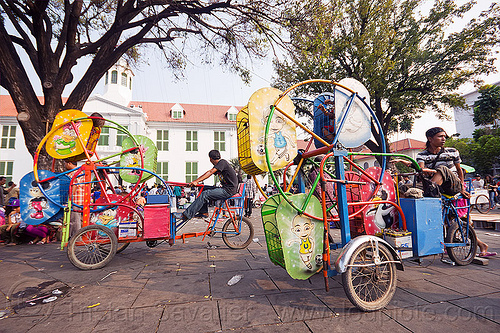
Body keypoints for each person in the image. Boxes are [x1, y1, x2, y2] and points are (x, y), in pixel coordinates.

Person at [416, 127, 494, 257]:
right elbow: (422, 170)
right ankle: (481, 245)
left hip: (453, 185)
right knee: (450, 221)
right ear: (430, 139)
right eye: (440, 136)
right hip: (439, 188)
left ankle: (431, 193)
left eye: (444, 136)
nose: (444, 139)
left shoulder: (452, 151)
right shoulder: (422, 155)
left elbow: (459, 171)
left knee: (442, 169)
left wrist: (462, 188)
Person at [178, 150, 238, 221]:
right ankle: (204, 213)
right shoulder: (219, 165)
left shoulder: (222, 162)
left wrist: (196, 181)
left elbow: (210, 172)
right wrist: (195, 184)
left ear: (210, 159)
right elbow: (210, 173)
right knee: (203, 188)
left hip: (229, 190)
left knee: (205, 194)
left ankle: (186, 215)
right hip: (225, 189)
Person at [65, 159, 84, 236]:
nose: (65, 165)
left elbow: (74, 186)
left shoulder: (74, 173)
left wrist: (69, 198)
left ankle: (76, 237)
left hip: (75, 200)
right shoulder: (78, 171)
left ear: (69, 163)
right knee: (75, 219)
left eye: (65, 163)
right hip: (79, 199)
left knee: (75, 220)